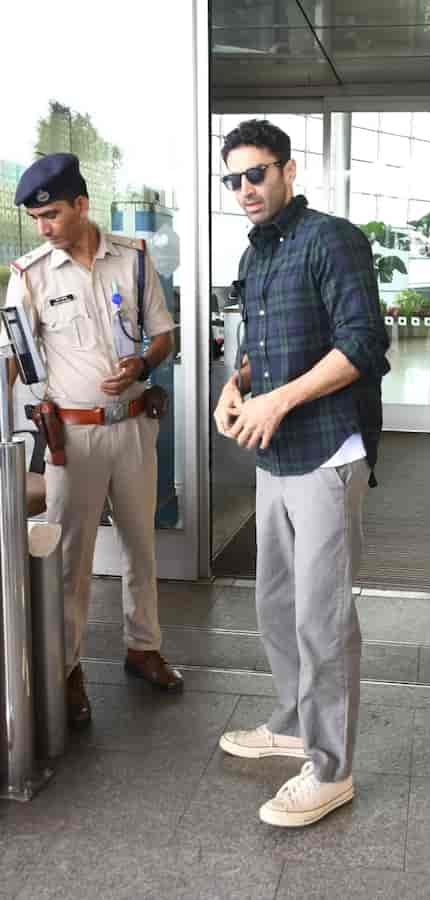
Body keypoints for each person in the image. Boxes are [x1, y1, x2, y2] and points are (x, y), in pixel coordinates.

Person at [213, 119, 389, 827]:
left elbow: (362, 344)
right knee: (275, 607)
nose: (246, 189)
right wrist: (239, 385)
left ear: (290, 169)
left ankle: (331, 769)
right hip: (274, 455)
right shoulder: (256, 257)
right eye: (234, 179)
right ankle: (292, 723)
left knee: (322, 619)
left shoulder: (331, 239)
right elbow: (261, 349)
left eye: (257, 174)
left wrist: (281, 399)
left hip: (325, 453)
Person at [4, 153, 183, 729]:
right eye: (37, 219)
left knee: (140, 547)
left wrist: (142, 362)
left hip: (132, 427)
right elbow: (8, 359)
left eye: (53, 213)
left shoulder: (132, 261)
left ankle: (143, 647)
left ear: (82, 205)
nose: (44, 227)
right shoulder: (30, 275)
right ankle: (66, 670)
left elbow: (165, 336)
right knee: (67, 561)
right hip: (70, 439)